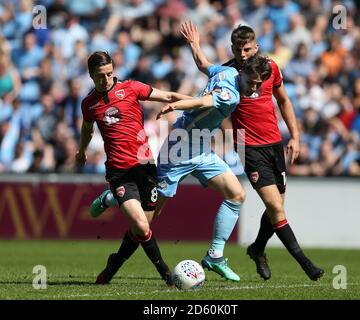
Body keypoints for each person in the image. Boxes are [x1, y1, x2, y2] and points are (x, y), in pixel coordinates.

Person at [89, 21, 272, 282]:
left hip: (200, 146)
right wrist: (177, 105)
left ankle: (215, 256)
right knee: (146, 223)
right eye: (253, 84)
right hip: (178, 149)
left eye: (259, 85)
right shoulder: (230, 93)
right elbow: (202, 101)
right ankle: (111, 205)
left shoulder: (225, 72)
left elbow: (203, 65)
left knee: (236, 194)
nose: (254, 90)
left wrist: (195, 43)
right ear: (243, 75)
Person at [75, 51, 192, 285]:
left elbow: (168, 94)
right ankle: (167, 275)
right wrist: (82, 150)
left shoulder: (131, 88)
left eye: (109, 74)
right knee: (140, 224)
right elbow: (87, 129)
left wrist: (196, 103)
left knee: (142, 228)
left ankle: (113, 265)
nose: (106, 79)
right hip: (120, 173)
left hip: (146, 167)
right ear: (90, 74)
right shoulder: (89, 104)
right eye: (100, 75)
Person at [224, 25, 324, 281]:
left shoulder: (271, 68)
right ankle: (306, 265)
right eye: (237, 49)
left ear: (256, 46)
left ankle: (257, 249)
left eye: (246, 49)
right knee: (276, 208)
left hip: (274, 145)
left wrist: (296, 137)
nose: (242, 54)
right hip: (248, 148)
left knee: (276, 207)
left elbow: (284, 101)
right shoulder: (226, 74)